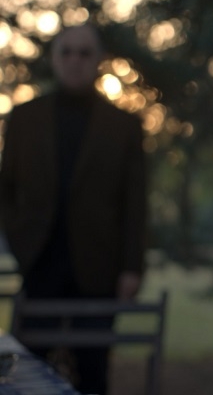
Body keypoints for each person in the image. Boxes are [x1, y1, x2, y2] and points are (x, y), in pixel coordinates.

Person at [0, 24, 146, 394]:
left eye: (84, 52)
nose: (75, 60)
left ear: (98, 60)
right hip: (39, 263)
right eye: (67, 52)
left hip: (98, 269)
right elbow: (6, 189)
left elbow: (135, 203)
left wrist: (131, 267)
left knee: (94, 372)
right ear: (54, 58)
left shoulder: (123, 126)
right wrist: (20, 240)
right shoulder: (24, 119)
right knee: (27, 374)